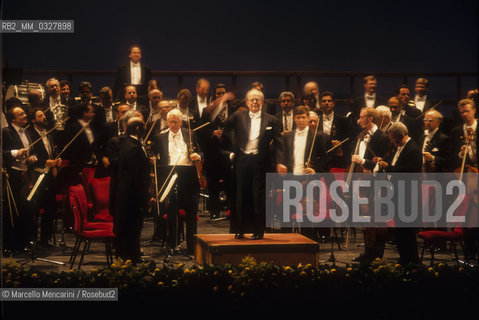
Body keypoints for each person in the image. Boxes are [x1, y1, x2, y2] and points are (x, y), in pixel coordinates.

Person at [223, 88, 283, 240]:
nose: (255, 101)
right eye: (252, 99)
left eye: (258, 99)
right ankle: (240, 229)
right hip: (242, 161)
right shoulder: (237, 116)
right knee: (241, 196)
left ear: (262, 102)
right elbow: (224, 128)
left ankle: (258, 230)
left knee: (258, 198)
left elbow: (279, 144)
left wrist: (280, 163)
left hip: (260, 162)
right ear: (247, 102)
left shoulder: (272, 120)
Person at [152, 109, 202, 255]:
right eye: (171, 122)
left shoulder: (190, 134)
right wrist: (153, 160)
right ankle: (173, 244)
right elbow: (155, 155)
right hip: (170, 175)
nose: (173, 125)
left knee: (191, 212)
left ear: (181, 122)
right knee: (172, 210)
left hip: (188, 174)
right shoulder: (160, 137)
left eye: (176, 122)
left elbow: (200, 151)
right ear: (167, 122)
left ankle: (192, 247)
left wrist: (197, 156)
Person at [376, 122, 422, 265]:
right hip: (398, 193)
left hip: (408, 194)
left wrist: (389, 168)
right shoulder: (401, 148)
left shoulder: (413, 149)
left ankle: (411, 260)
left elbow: (408, 172)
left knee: (407, 231)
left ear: (400, 135)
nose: (391, 142)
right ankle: (405, 258)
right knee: (401, 231)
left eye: (392, 138)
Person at [115, 116, 150, 263]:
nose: (145, 129)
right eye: (143, 126)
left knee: (131, 230)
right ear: (137, 128)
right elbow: (138, 177)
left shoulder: (126, 144)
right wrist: (146, 198)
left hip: (126, 194)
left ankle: (131, 257)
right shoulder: (134, 148)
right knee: (133, 230)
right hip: (132, 197)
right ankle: (132, 259)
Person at [2, 106, 37, 252]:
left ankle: (24, 242)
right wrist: (16, 152)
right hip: (13, 175)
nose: (24, 115)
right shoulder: (5, 132)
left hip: (26, 175)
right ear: (13, 119)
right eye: (20, 114)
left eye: (24, 112)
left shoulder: (28, 132)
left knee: (25, 210)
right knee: (12, 210)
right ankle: (10, 244)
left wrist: (32, 157)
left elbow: (32, 151)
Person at [27, 108, 62, 246]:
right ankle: (32, 239)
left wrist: (55, 161)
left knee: (50, 208)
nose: (44, 117)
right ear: (33, 120)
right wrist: (45, 162)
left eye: (44, 115)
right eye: (40, 116)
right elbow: (32, 154)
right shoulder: (30, 134)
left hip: (49, 176)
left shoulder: (48, 133)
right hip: (36, 175)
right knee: (35, 208)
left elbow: (51, 152)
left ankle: (45, 239)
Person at [200, 84, 236, 220]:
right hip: (212, 152)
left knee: (230, 182)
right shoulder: (207, 111)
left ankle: (231, 210)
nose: (221, 96)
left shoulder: (234, 110)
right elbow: (201, 131)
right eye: (218, 94)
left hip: (229, 150)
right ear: (214, 96)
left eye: (223, 93)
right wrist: (212, 132)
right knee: (213, 183)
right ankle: (214, 211)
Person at [317, 91, 354, 169]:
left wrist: (339, 143)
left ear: (333, 104)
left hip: (337, 158)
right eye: (324, 101)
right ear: (320, 104)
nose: (326, 103)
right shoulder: (316, 120)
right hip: (320, 158)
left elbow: (349, 139)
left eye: (329, 101)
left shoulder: (343, 120)